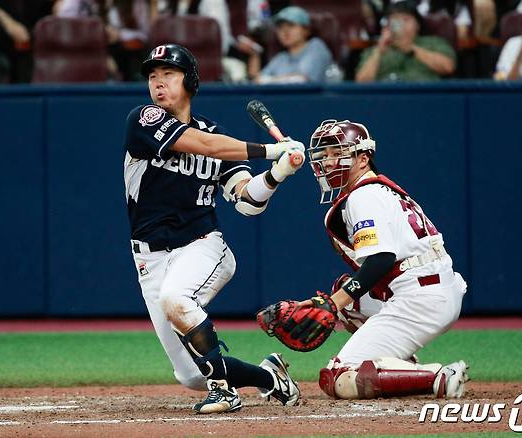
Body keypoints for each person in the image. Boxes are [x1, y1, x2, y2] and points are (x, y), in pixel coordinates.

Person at [123, 43, 304, 413]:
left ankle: (224, 391)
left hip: (202, 245)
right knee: (191, 375)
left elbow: (247, 201)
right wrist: (272, 152)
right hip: (150, 257)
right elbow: (208, 146)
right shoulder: (143, 120)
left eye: (168, 75)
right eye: (153, 77)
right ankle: (270, 377)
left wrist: (279, 173)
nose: (158, 84)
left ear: (189, 81)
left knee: (176, 299)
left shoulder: (217, 134)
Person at [288, 119, 469, 400]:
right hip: (429, 286)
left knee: (339, 376)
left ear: (363, 158)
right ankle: (401, 366)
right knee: (347, 296)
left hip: (421, 298)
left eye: (338, 153)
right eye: (325, 155)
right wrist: (333, 303)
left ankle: (439, 378)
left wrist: (332, 304)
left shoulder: (364, 196)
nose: (328, 161)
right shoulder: (376, 190)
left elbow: (381, 260)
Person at [356, 0, 456, 82]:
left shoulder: (433, 43)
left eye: (406, 19)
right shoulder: (377, 49)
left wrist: (412, 49)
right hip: (386, 98)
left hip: (422, 96)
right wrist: (379, 51)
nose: (401, 25)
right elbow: (362, 81)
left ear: (417, 24)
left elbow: (448, 67)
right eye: (395, 20)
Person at [54, 0, 151, 81]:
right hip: (93, 50)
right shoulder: (90, 4)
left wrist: (119, 35)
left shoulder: (135, 3)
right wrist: (100, 32)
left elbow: (145, 35)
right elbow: (64, 20)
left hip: (124, 54)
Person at [251, 6, 335, 83]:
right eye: (280, 27)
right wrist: (254, 54)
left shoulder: (316, 46)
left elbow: (302, 80)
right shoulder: (281, 58)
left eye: (291, 25)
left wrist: (268, 80)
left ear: (306, 30)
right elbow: (258, 80)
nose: (285, 31)